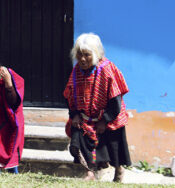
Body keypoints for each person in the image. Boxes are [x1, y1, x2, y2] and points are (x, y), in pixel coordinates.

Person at [64, 33, 131, 182]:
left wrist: (105, 120)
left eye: (87, 55)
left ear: (95, 54)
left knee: (113, 147)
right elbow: (70, 94)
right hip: (85, 117)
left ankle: (119, 170)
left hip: (109, 115)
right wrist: (74, 114)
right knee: (78, 140)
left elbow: (115, 100)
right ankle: (90, 172)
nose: (82, 59)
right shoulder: (76, 71)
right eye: (79, 54)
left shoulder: (107, 69)